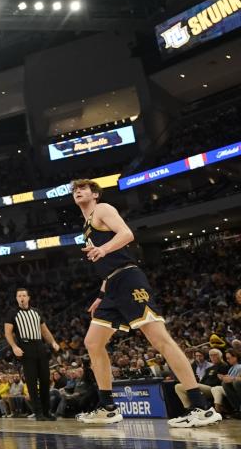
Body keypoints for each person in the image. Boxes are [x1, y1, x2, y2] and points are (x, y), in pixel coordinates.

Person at [72, 178, 223, 428]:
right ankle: (108, 407)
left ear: (95, 194)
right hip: (112, 285)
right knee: (92, 342)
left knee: (159, 339)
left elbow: (126, 234)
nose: (78, 191)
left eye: (84, 188)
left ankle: (201, 406)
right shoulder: (86, 224)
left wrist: (105, 249)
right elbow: (105, 263)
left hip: (129, 279)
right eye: (75, 190)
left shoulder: (103, 209)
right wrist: (101, 295)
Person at [4, 288, 60, 420]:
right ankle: (38, 412)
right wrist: (14, 346)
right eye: (19, 296)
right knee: (32, 382)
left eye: (24, 295)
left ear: (28, 298)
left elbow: (44, 331)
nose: (22, 297)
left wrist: (53, 342)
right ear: (16, 298)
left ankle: (47, 411)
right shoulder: (12, 313)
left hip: (39, 346)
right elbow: (7, 333)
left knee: (45, 380)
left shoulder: (36, 312)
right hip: (25, 347)